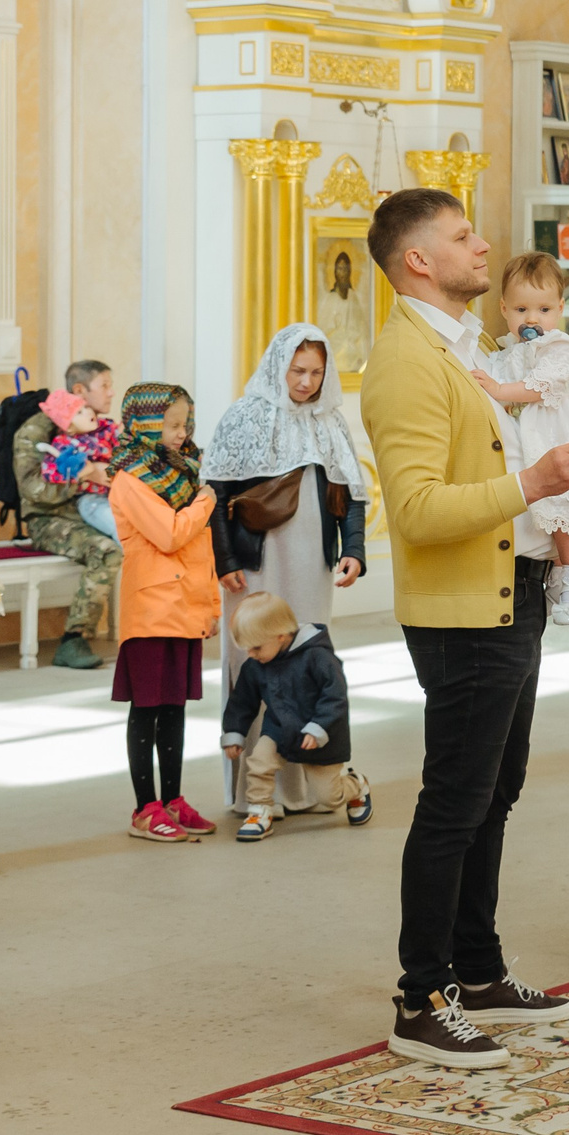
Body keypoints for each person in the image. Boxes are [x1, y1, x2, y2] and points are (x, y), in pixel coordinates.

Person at [360, 186, 569, 1069]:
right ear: (419, 259)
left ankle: (480, 967)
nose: (483, 244)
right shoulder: (408, 362)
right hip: (464, 611)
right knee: (454, 800)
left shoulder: (467, 350)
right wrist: (531, 486)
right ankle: (420, 997)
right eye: (463, 236)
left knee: (495, 791)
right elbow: (417, 510)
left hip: (514, 590)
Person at [203, 324, 370, 816]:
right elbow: (215, 498)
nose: (306, 382)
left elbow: (351, 496)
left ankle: (310, 784)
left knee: (307, 661)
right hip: (253, 566)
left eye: (316, 372)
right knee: (253, 661)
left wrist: (354, 550)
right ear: (279, 366)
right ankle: (256, 793)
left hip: (311, 565)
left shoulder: (331, 422)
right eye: (298, 370)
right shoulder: (243, 417)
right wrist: (227, 561)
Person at [473, 251, 569, 625]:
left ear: (560, 309)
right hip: (532, 439)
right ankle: (557, 572)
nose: (532, 319)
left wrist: (500, 390)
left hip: (561, 435)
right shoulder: (507, 350)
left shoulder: (561, 347)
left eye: (543, 309)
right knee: (544, 514)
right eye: (521, 309)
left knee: (566, 511)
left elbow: (541, 385)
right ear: (504, 308)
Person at [106, 382, 221, 844]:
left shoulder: (183, 473)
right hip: (152, 609)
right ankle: (143, 809)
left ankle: (172, 800)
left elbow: (202, 550)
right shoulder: (130, 478)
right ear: (143, 425)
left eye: (184, 422)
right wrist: (207, 501)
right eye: (171, 424)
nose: (180, 432)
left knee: (174, 707)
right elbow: (172, 533)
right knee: (147, 709)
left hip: (184, 607)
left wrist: (210, 606)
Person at [219, 591, 372, 841]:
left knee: (328, 797)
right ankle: (260, 811)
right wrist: (234, 734)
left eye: (256, 647)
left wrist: (318, 727)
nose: (251, 654)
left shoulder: (317, 656)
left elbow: (335, 696)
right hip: (280, 729)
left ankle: (357, 786)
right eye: (247, 649)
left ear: (280, 636)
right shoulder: (256, 665)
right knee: (259, 761)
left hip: (323, 734)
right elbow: (241, 702)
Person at [12, 359, 119, 669]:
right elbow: (33, 489)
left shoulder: (99, 428)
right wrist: (85, 477)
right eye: (104, 386)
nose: (111, 393)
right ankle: (74, 640)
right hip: (48, 518)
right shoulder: (37, 429)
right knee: (108, 551)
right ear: (79, 391)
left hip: (88, 511)